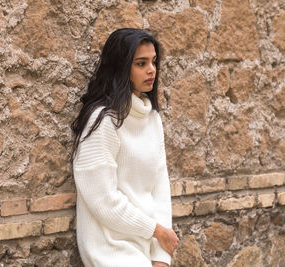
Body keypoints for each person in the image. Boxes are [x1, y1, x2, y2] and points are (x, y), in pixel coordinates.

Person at [71, 28, 179, 267]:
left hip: (148, 243)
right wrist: (157, 231)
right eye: (141, 63)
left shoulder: (152, 119)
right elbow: (103, 199)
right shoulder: (103, 120)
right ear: (121, 67)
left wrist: (161, 256)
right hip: (110, 246)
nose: (152, 69)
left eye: (153, 62)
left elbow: (160, 188)